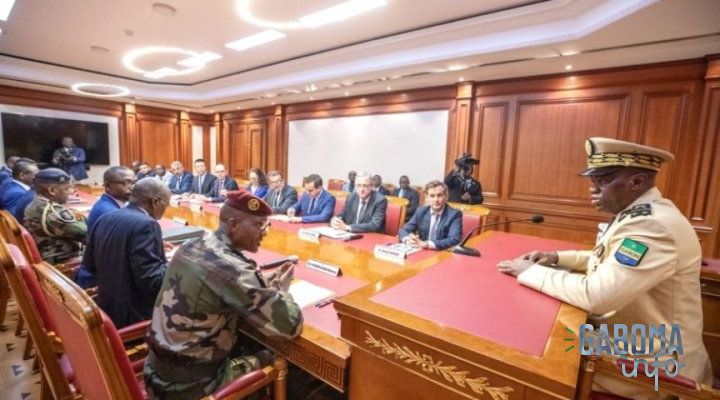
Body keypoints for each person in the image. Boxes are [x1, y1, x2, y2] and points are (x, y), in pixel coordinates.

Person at [496, 137, 713, 399]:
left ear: (637, 182)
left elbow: (596, 296)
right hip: (634, 341)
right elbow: (604, 259)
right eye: (592, 181)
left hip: (654, 367)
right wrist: (555, 257)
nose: (593, 190)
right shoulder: (640, 214)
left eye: (602, 181)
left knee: (531, 361)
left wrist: (529, 271)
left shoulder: (652, 226)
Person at [144, 191, 302, 400]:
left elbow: (224, 285)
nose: (264, 232)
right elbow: (289, 325)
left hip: (156, 372)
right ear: (234, 225)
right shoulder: (231, 268)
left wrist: (263, 285)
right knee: (278, 359)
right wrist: (281, 291)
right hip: (191, 387)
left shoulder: (193, 245)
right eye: (259, 225)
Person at [83, 178, 171, 328]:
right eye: (166, 204)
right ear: (155, 202)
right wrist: (177, 261)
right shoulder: (147, 225)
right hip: (136, 315)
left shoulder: (106, 217)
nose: (166, 209)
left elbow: (89, 265)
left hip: (107, 306)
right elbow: (152, 283)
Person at [23, 168, 87, 264]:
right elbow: (85, 232)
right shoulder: (52, 212)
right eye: (66, 188)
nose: (70, 192)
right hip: (62, 260)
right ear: (52, 190)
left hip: (48, 255)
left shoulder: (37, 203)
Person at [398, 180, 462, 250]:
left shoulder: (454, 214)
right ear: (427, 197)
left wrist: (427, 244)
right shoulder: (421, 212)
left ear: (446, 197)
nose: (436, 200)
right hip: (422, 252)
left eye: (439, 195)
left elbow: (454, 239)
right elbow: (403, 230)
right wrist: (408, 240)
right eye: (432, 196)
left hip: (442, 252)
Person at [86, 166, 135, 230]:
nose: (133, 187)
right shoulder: (110, 212)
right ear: (107, 186)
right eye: (127, 182)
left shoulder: (108, 203)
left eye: (134, 182)